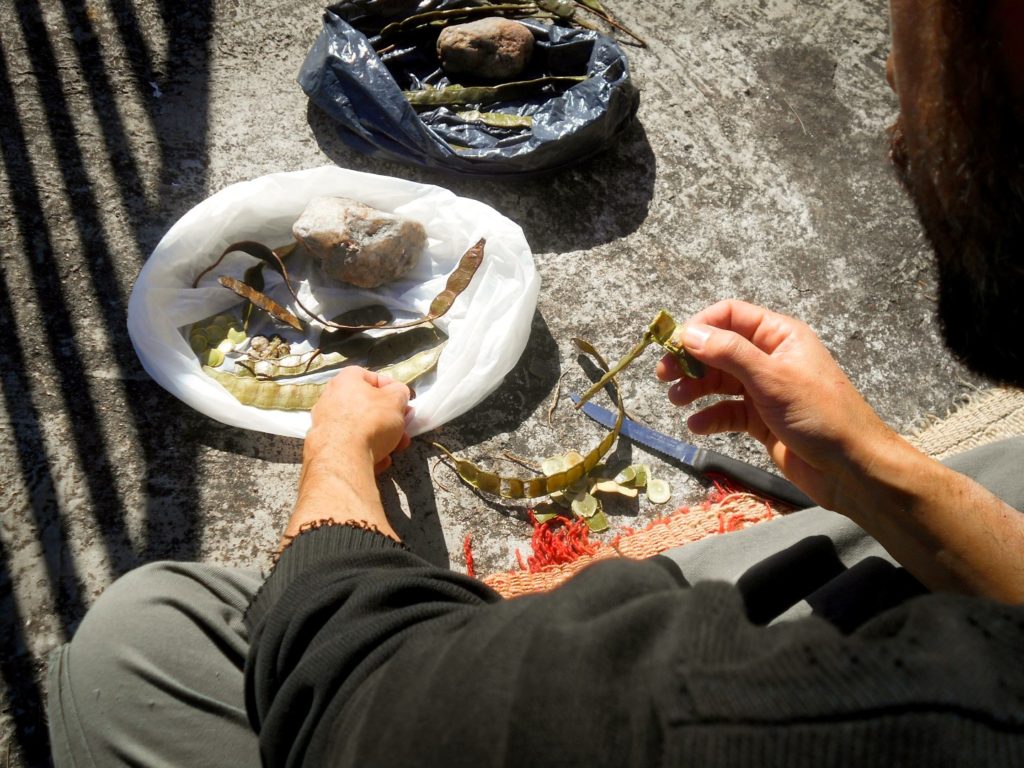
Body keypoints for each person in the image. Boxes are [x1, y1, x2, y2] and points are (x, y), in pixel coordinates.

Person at [47, 1, 1024, 766]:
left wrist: (336, 453)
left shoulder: (787, 718)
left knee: (140, 644)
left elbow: (362, 690)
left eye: (915, 62)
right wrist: (877, 472)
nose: (894, 102)